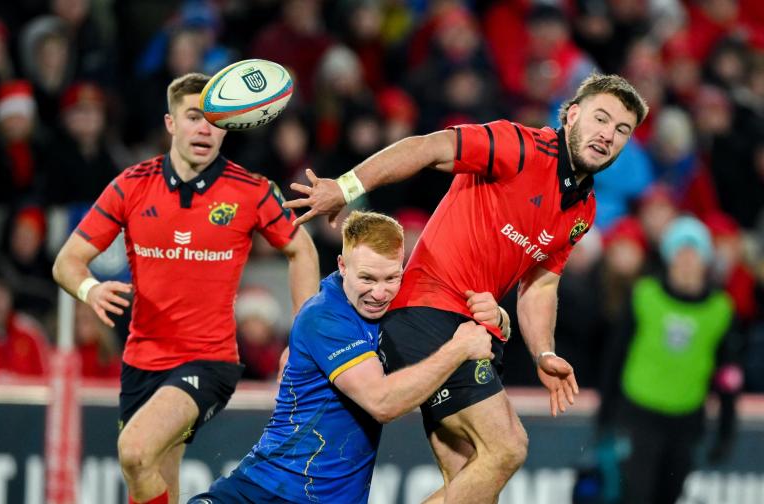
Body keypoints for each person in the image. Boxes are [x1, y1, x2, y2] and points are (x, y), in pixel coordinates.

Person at [286, 73, 649, 502]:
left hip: (473, 330)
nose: (608, 135)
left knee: (475, 484)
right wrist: (346, 187)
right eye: (600, 119)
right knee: (508, 446)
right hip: (430, 312)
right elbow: (425, 148)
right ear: (572, 116)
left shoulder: (584, 208)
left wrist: (544, 352)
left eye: (621, 130)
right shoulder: (519, 145)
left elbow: (540, 284)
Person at [52, 72, 319, 504]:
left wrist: (302, 337)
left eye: (215, 119)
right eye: (194, 117)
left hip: (208, 362)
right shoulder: (132, 184)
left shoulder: (250, 191)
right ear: (170, 123)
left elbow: (301, 251)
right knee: (154, 478)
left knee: (135, 452)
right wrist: (90, 289)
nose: (204, 128)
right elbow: (66, 261)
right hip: (141, 362)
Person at [189, 210, 504, 504]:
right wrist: (458, 349)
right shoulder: (324, 317)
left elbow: (476, 327)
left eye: (391, 278)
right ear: (342, 266)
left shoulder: (400, 305)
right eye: (367, 279)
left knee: (477, 480)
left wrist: (498, 317)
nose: (379, 293)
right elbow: (383, 403)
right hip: (263, 492)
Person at [596, 216, 743, 504]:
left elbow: (728, 376)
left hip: (686, 418)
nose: (687, 261)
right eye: (680, 253)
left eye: (694, 253)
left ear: (705, 260)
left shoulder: (720, 309)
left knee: (670, 495)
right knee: (636, 494)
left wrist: (726, 431)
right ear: (669, 257)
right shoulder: (645, 296)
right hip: (639, 411)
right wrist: (606, 415)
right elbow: (616, 356)